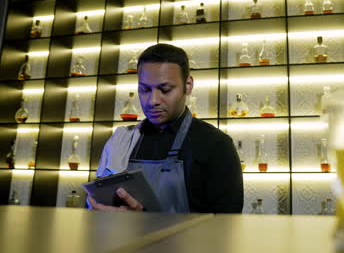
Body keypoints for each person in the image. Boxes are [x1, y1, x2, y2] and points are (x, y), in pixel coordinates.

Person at [87, 43, 244, 213]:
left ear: (188, 85)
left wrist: (143, 222)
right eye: (145, 89)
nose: (152, 100)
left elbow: (226, 228)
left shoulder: (217, 145)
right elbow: (94, 203)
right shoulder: (120, 139)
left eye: (165, 89)